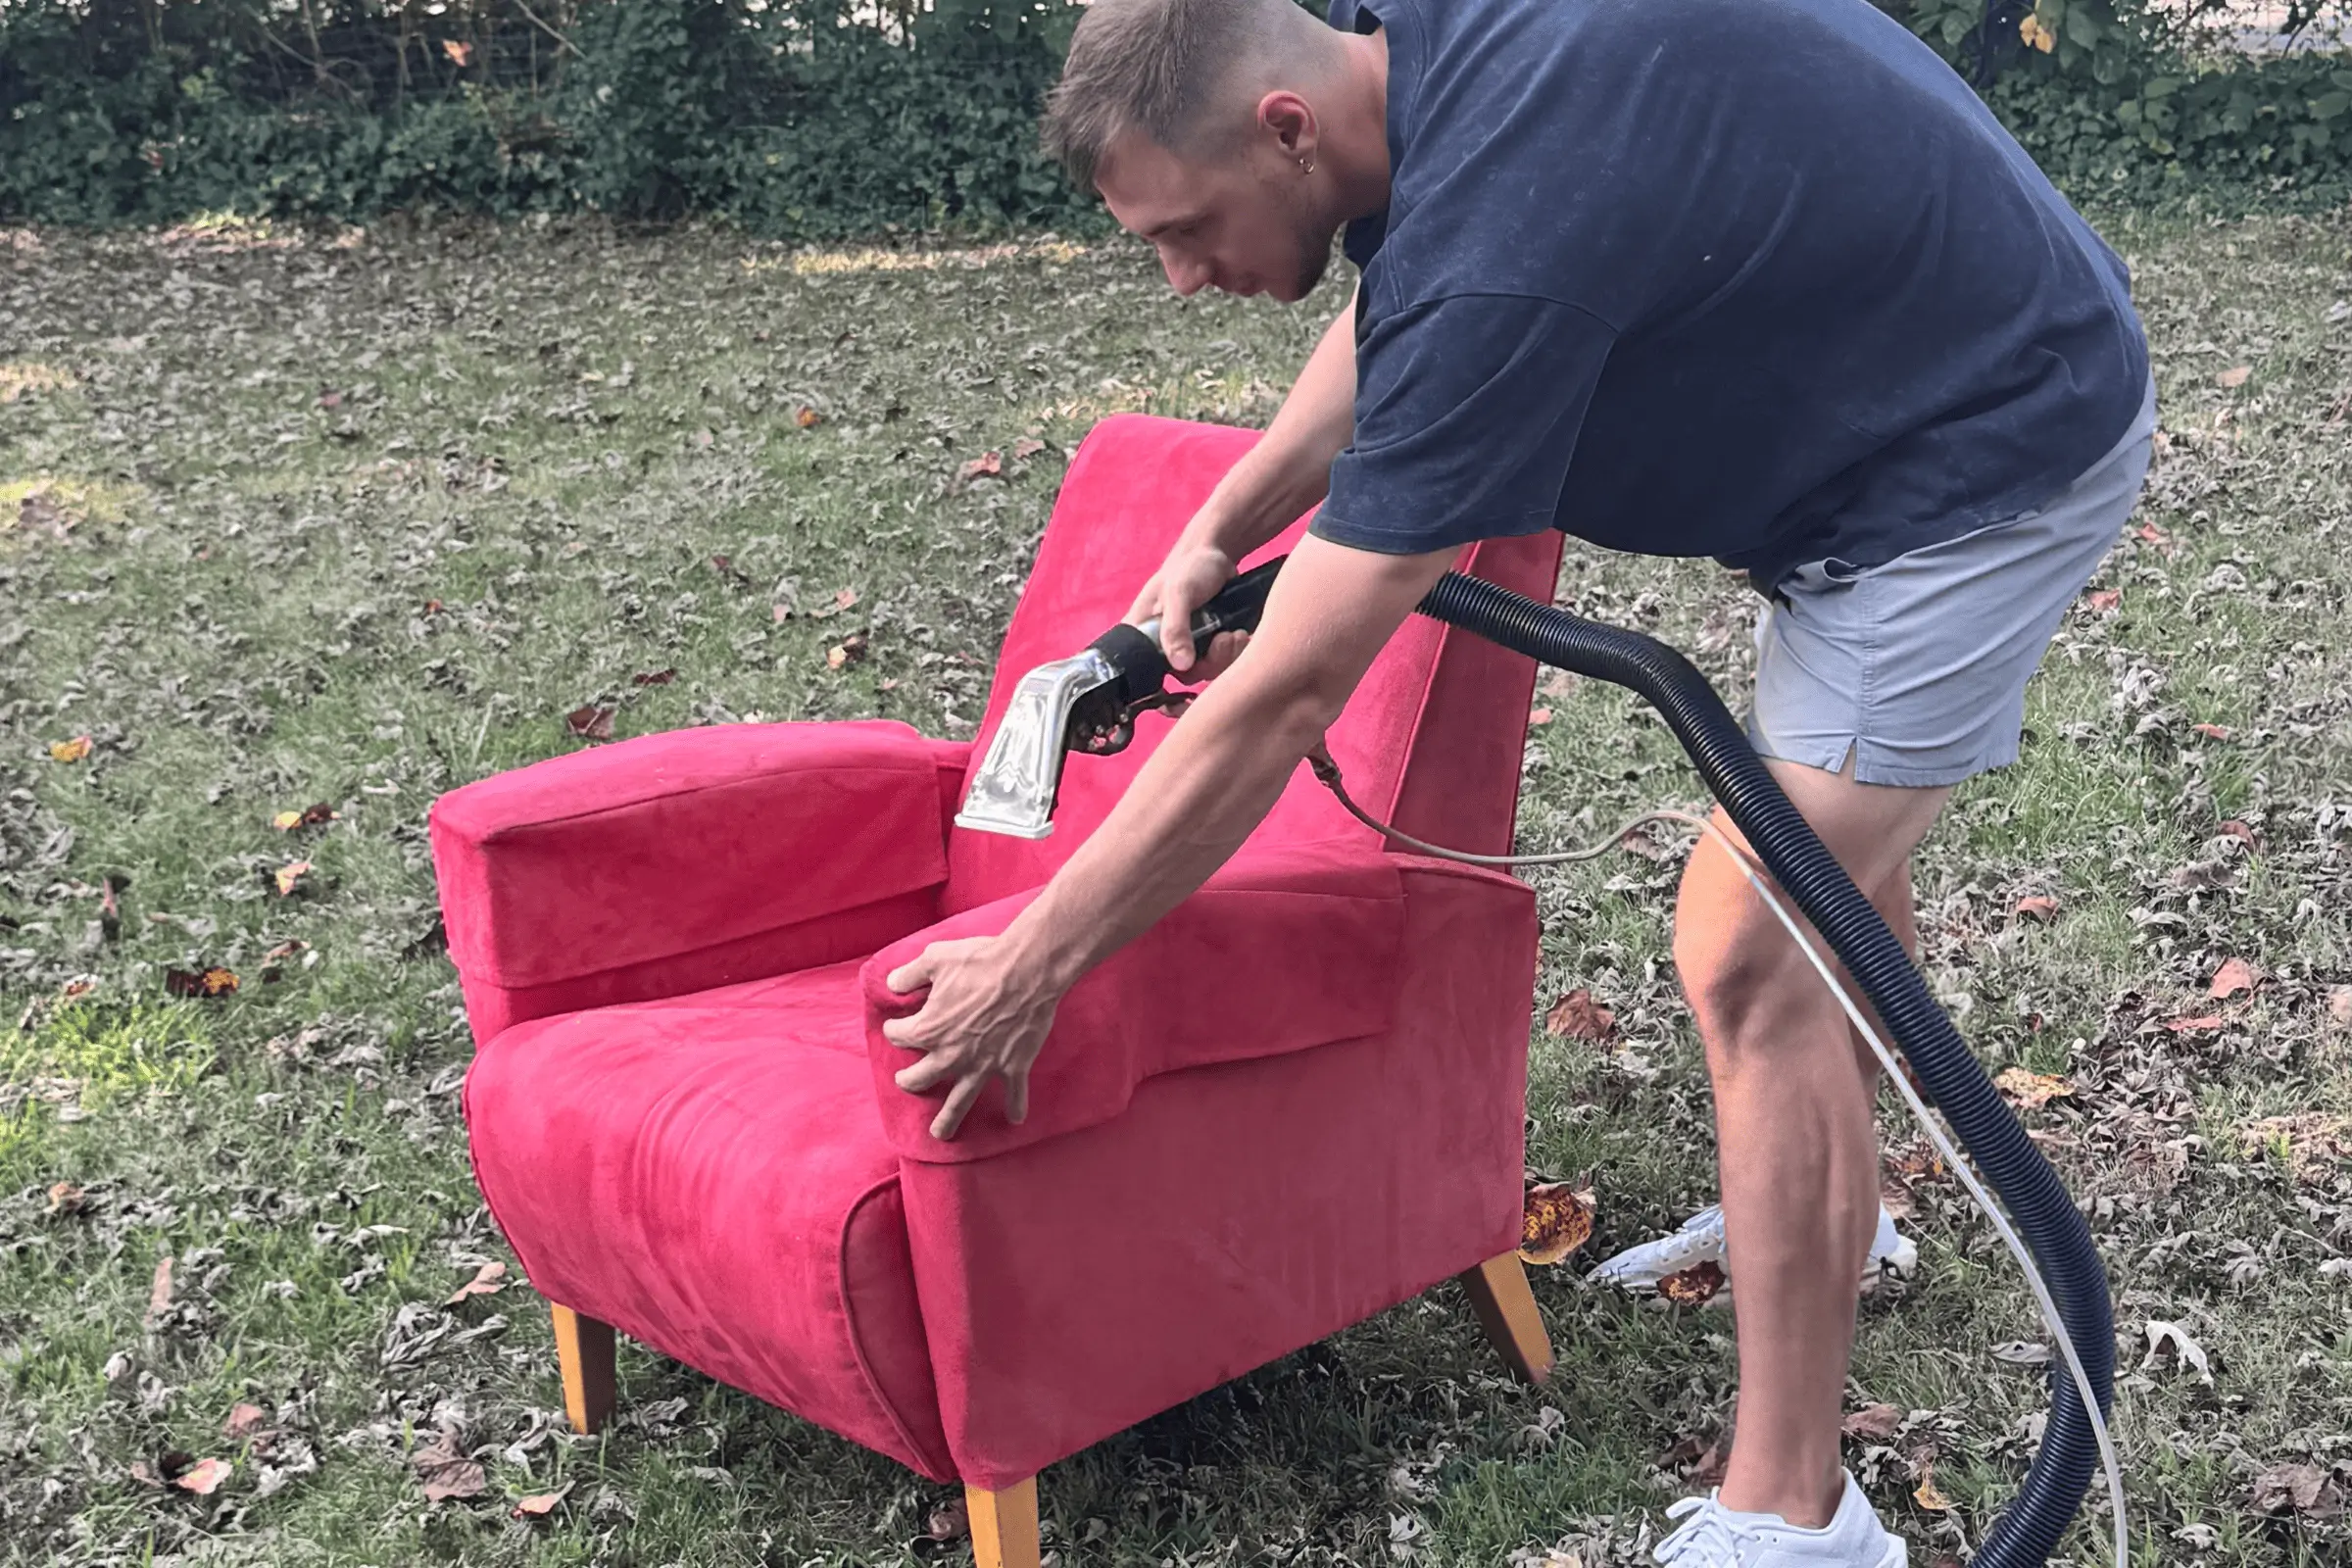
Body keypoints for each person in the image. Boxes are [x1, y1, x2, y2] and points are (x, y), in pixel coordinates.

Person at [878, 0, 2154, 1561]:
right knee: (1822, 894)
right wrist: (1233, 510)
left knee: (1750, 946)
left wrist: (1037, 961)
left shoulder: (1511, 226)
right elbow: (1396, 305)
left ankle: (1797, 1514)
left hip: (1982, 466)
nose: (1181, 276)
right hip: (1882, 407)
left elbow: (1284, 698)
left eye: (1189, 227)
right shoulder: (1399, 58)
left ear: (1286, 127)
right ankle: (1841, 1219)